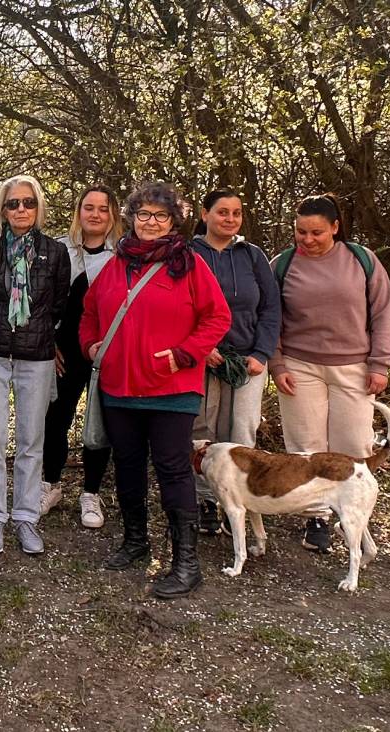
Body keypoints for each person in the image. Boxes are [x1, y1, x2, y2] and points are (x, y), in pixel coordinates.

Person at [80, 182, 230, 599]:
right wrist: (91, 346)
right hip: (120, 387)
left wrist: (184, 355)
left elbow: (217, 318)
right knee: (127, 465)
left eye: (159, 216)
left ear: (173, 221)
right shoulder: (116, 264)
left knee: (172, 468)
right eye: (143, 215)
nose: (150, 223)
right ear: (131, 218)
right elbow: (90, 312)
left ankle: (186, 561)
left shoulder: (190, 265)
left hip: (171, 387)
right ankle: (135, 541)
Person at [270, 193, 390, 553]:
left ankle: (351, 513)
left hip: (353, 367)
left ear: (335, 228)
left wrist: (380, 363)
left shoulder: (362, 260)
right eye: (300, 232)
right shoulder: (282, 264)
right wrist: (277, 364)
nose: (307, 240)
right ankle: (316, 518)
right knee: (306, 448)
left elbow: (381, 314)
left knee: (353, 445)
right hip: (298, 365)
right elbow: (272, 319)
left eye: (317, 233)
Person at [0, 175, 73, 555]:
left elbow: (58, 303)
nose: (21, 210)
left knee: (31, 440)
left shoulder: (54, 252)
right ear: (3, 208)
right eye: (13, 203)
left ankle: (26, 517)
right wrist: (4, 327)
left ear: (38, 207)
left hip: (37, 354)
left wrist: (35, 331)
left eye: (28, 203)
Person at [189, 189, 281, 534]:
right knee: (202, 431)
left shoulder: (252, 255)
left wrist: (261, 353)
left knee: (241, 431)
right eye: (222, 212)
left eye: (236, 213)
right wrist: (200, 348)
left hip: (247, 360)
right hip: (202, 357)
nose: (229, 219)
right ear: (204, 214)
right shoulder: (187, 253)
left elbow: (271, 307)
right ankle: (205, 501)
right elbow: (179, 308)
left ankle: (238, 502)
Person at [42, 185, 121, 527]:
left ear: (112, 215)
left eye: (103, 209)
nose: (95, 214)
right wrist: (48, 343)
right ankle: (50, 483)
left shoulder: (122, 255)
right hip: (63, 351)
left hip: (107, 351)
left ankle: (91, 493)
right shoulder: (60, 250)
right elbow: (41, 301)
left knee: (98, 423)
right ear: (79, 212)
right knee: (56, 418)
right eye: (89, 207)